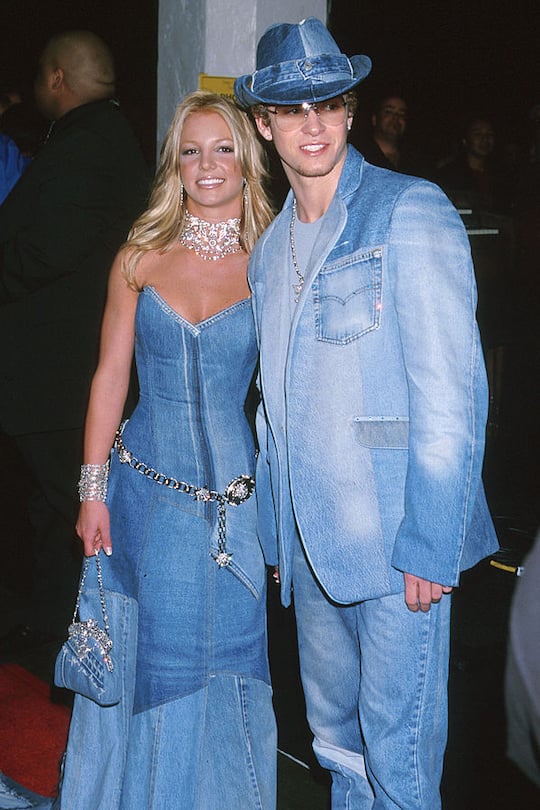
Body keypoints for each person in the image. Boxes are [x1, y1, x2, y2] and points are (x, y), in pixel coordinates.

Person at [235, 18, 498, 809]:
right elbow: (273, 410)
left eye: (328, 104)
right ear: (264, 124)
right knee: (336, 748)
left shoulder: (408, 209)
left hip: (397, 548)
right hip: (311, 553)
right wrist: (277, 529)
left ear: (349, 112)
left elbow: (453, 396)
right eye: (291, 108)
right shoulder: (267, 251)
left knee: (401, 760)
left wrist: (432, 541)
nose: (311, 123)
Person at [0, 89, 277, 809]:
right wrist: (91, 494)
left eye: (222, 148)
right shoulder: (139, 258)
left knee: (228, 662)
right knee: (151, 661)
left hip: (232, 507)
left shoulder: (275, 262)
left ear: (246, 161)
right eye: (191, 150)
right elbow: (108, 379)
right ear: (174, 165)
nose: (207, 164)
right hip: (144, 497)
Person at [0, 31, 148, 650]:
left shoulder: (90, 140)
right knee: (53, 505)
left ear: (58, 78)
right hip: (59, 373)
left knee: (74, 505)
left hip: (60, 377)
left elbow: (44, 250)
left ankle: (99, 635)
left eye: (40, 74)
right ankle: (54, 623)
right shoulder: (96, 136)